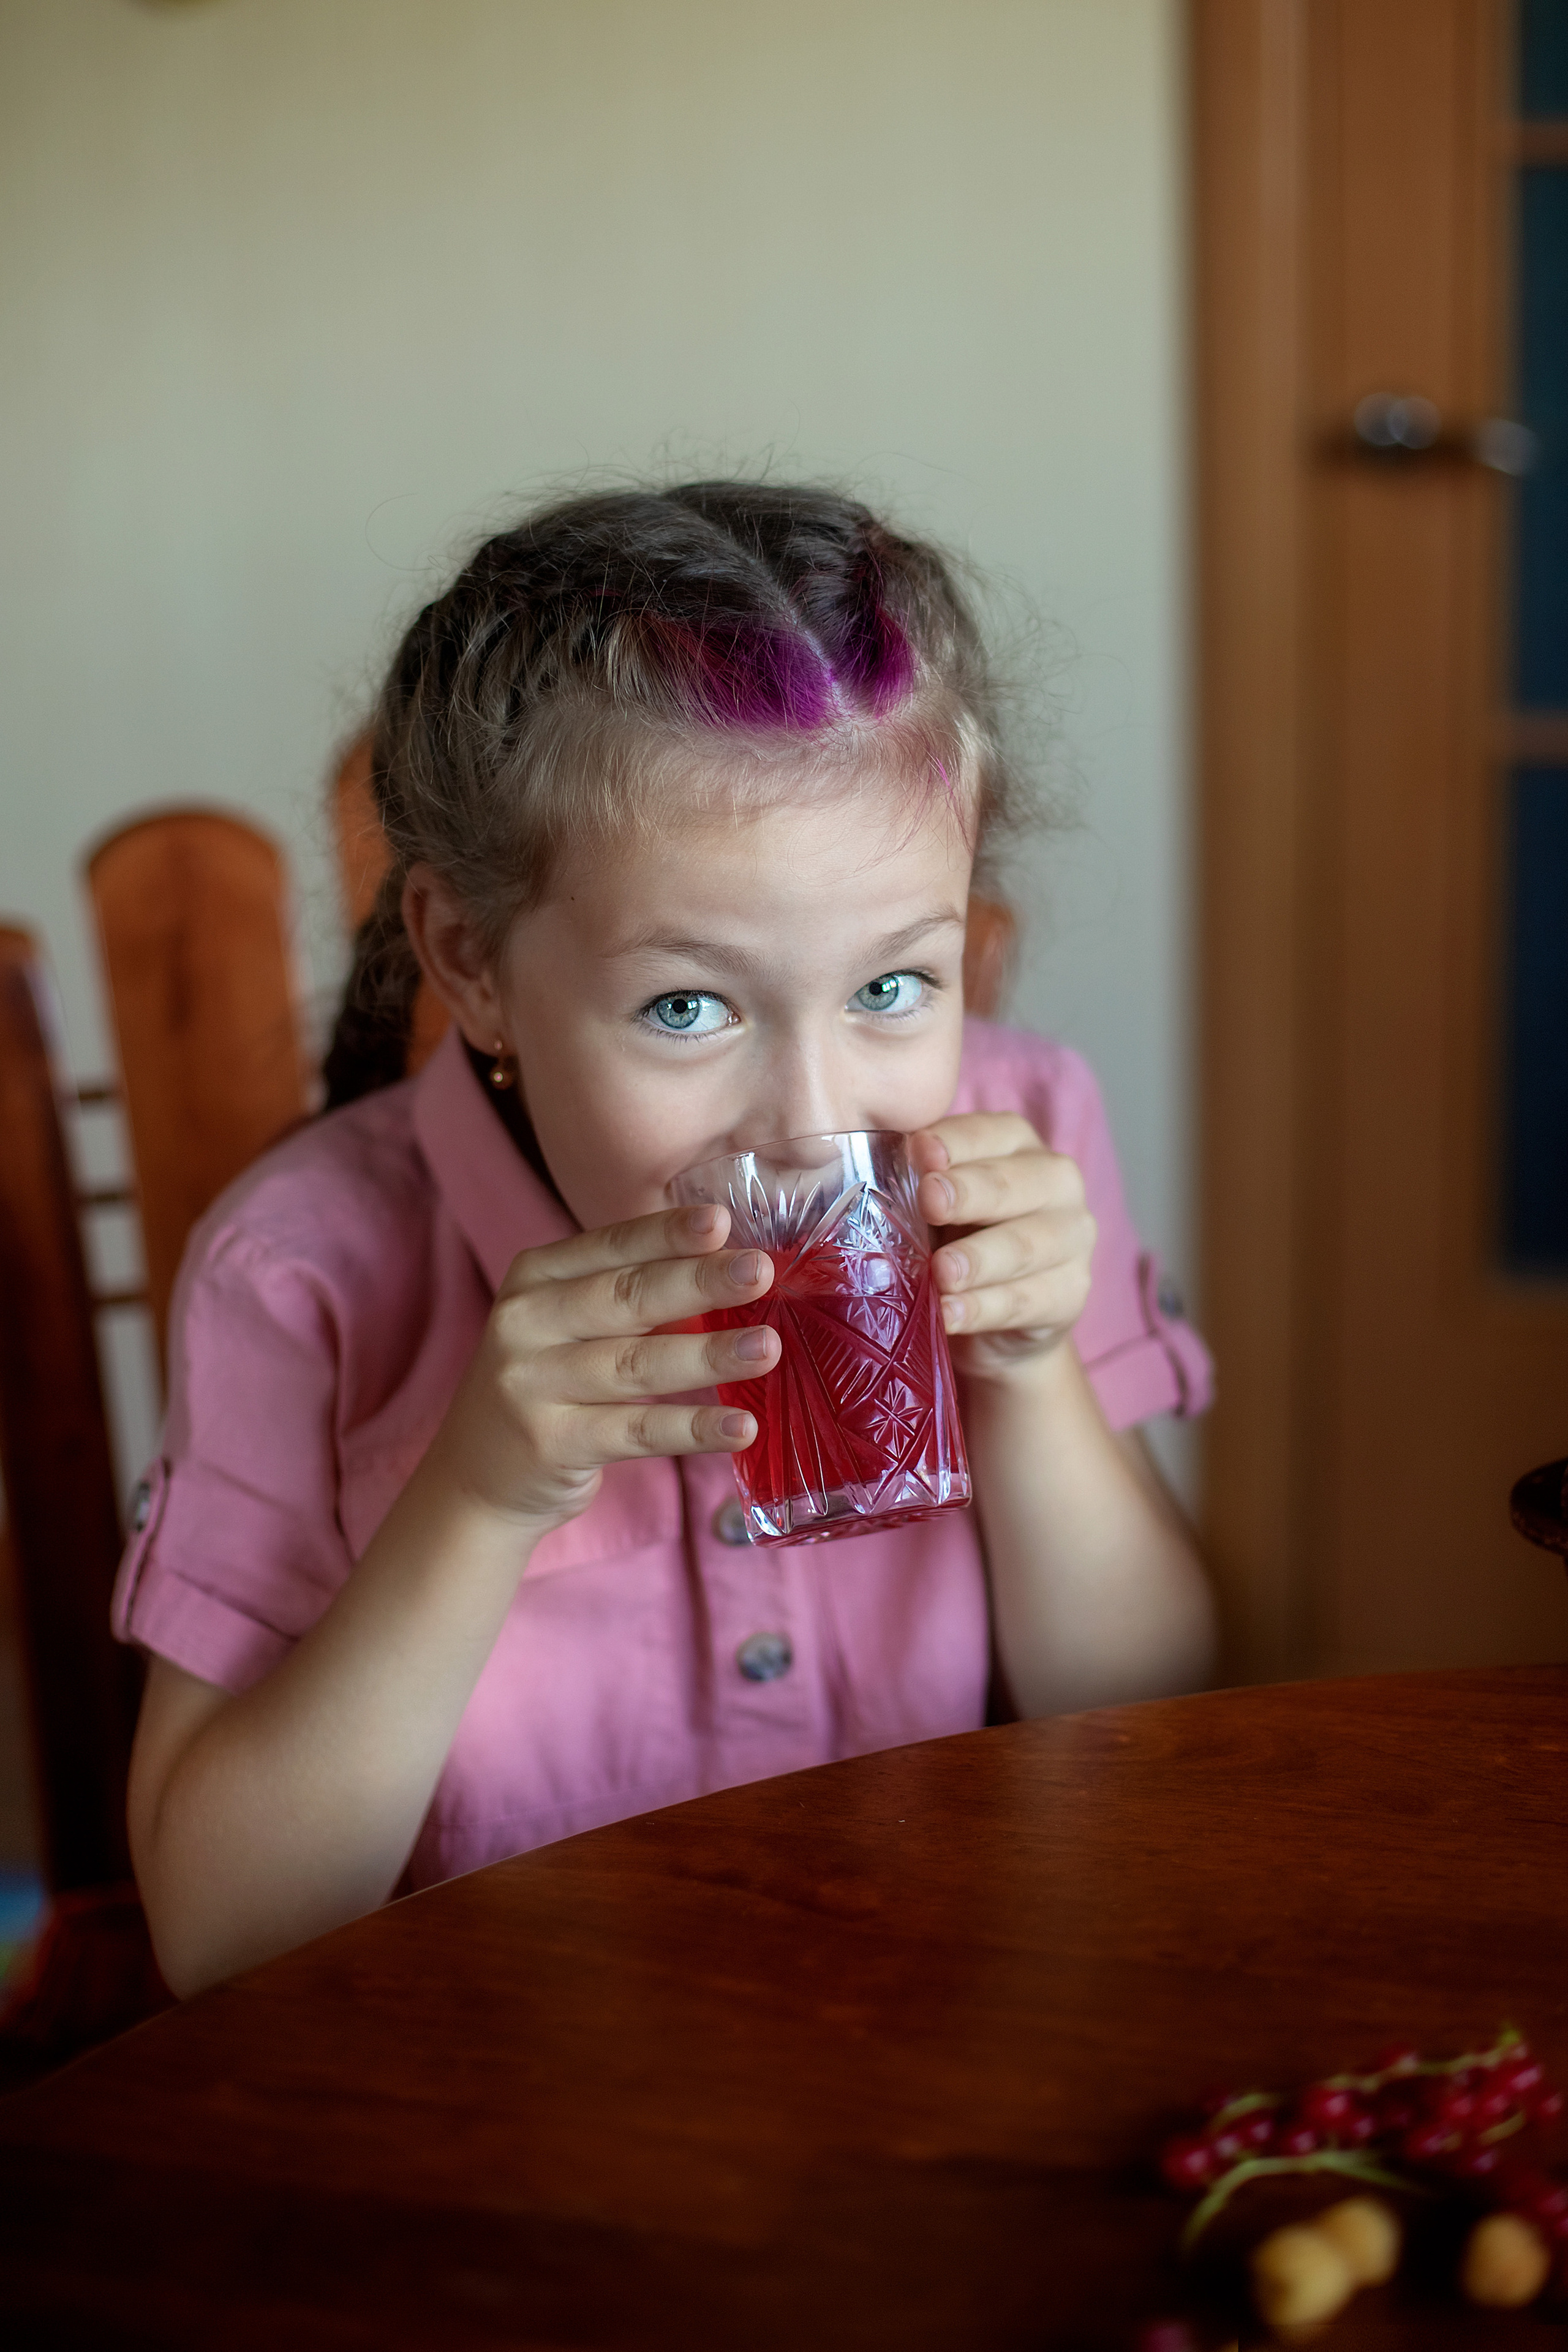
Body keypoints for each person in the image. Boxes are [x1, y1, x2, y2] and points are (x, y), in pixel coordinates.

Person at [114, 483, 1215, 1999]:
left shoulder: (1020, 1131)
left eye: (893, 986)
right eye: (685, 1008)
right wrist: (479, 1495)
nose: (807, 1115)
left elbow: (1151, 1733)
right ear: (470, 964)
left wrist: (1028, 1375)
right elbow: (225, 1938)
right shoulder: (299, 1269)